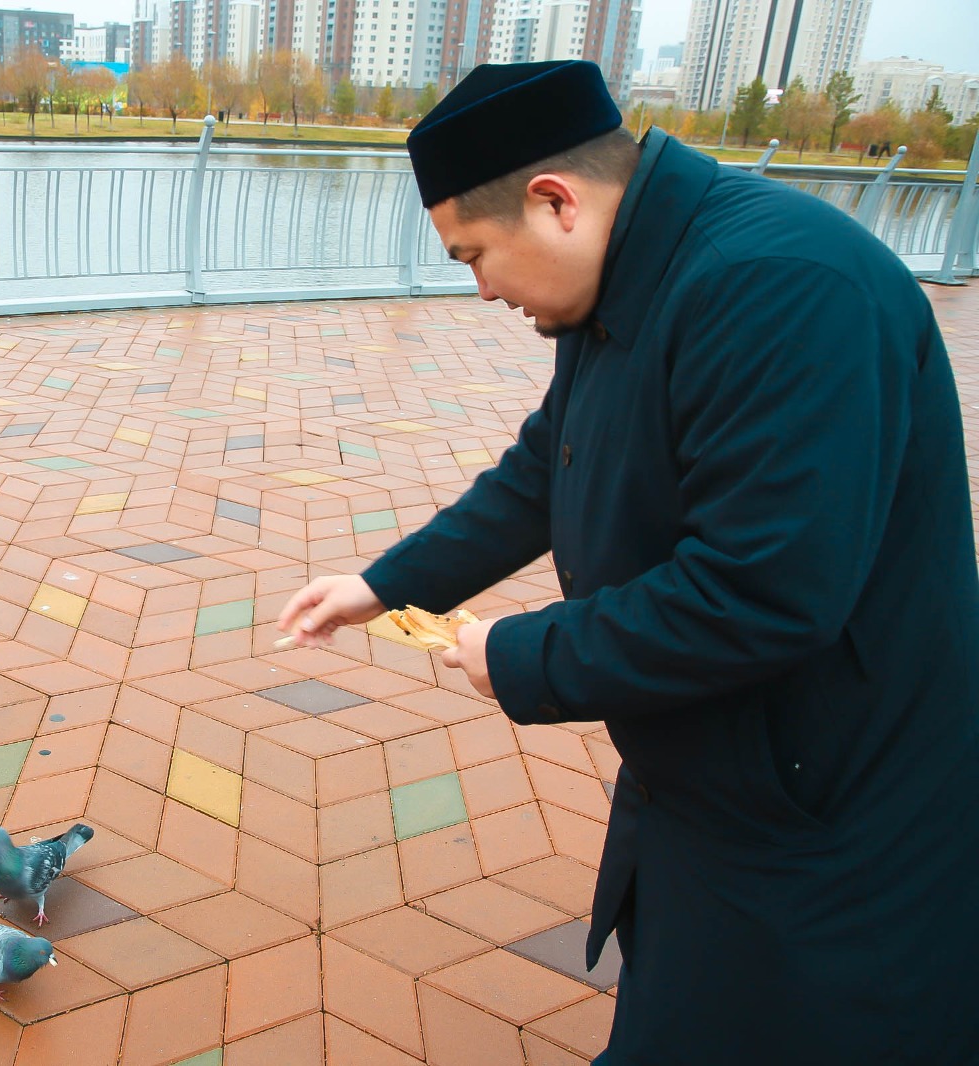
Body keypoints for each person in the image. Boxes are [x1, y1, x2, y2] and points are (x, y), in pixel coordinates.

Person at [277, 60, 979, 1064]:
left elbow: (760, 591)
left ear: (553, 201)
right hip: (723, 769)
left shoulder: (780, 287)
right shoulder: (628, 274)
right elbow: (546, 466)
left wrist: (520, 655)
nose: (481, 289)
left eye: (475, 255)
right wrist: (384, 585)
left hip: (830, 798)